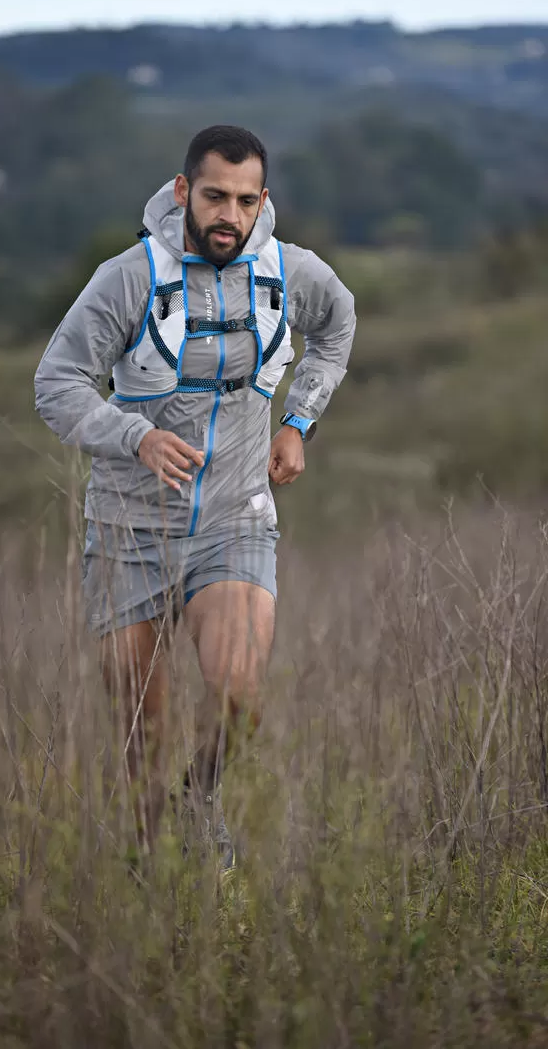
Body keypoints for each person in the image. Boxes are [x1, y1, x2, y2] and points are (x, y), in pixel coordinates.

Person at [35, 125, 356, 873]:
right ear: (184, 192)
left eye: (246, 201)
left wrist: (299, 420)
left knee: (240, 693)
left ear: (262, 201)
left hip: (235, 518)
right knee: (140, 731)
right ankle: (148, 879)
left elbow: (337, 327)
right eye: (215, 196)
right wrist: (132, 436)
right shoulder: (127, 278)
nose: (229, 216)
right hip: (128, 529)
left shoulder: (291, 272)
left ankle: (199, 799)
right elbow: (56, 384)